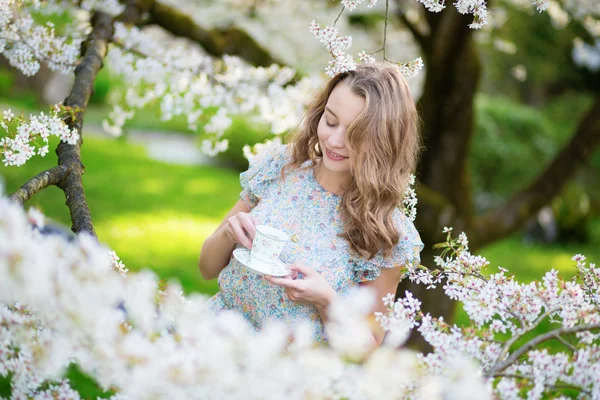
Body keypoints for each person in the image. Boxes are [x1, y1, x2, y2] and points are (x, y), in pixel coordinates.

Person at [198, 62, 424, 347]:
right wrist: (228, 234)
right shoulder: (281, 167)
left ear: (383, 141)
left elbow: (367, 350)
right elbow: (206, 268)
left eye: (355, 134)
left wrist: (327, 301)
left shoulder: (386, 231)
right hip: (211, 339)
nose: (335, 140)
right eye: (330, 121)